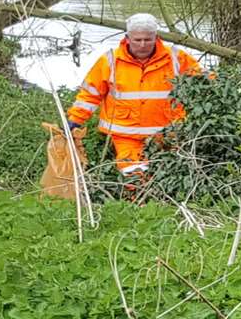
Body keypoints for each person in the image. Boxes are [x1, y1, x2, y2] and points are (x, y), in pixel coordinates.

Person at [64, 13, 201, 190]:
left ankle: (161, 208)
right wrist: (75, 120)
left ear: (156, 37)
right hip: (126, 135)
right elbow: (90, 94)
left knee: (168, 178)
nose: (142, 44)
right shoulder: (110, 60)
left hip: (169, 134)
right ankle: (140, 209)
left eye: (147, 39)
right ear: (127, 38)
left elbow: (203, 84)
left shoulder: (176, 58)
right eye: (137, 40)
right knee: (134, 178)